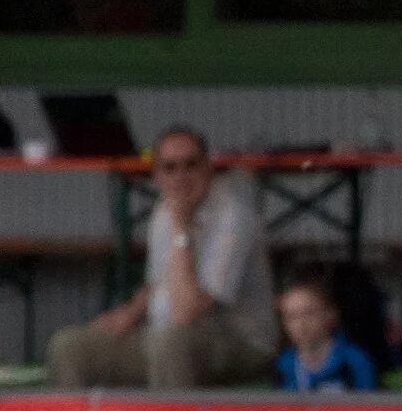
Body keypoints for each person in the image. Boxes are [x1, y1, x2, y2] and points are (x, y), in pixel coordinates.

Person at [47, 126, 275, 389]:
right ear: (156, 177)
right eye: (170, 168)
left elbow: (187, 312)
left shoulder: (233, 217)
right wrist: (130, 313)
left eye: (191, 165)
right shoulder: (163, 210)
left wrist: (181, 229)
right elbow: (160, 283)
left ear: (208, 168)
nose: (181, 176)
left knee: (172, 343)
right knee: (70, 346)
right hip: (164, 333)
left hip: (239, 340)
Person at [275, 269, 379, 394]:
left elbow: (369, 408)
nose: (301, 323)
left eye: (309, 313)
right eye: (292, 316)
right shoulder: (283, 364)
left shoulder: (354, 361)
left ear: (331, 314)